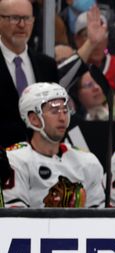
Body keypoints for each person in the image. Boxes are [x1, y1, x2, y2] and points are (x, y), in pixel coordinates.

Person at [3, 82, 104, 208]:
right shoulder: (14, 160)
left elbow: (99, 219)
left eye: (65, 110)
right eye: (55, 111)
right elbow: (15, 219)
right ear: (34, 118)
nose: (63, 118)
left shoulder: (88, 162)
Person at [60, 10, 115, 120]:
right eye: (87, 34)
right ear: (76, 39)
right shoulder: (71, 72)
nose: (98, 41)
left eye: (102, 33)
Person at [1, 0, 58, 147]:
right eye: (14, 18)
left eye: (27, 18)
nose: (22, 25)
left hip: (40, 159)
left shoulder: (47, 65)